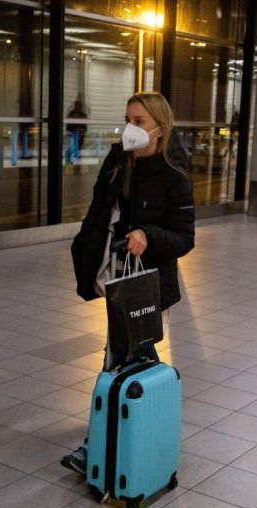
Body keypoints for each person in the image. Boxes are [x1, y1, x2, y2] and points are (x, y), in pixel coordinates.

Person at [62, 92, 195, 475]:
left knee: (122, 354)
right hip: (118, 274)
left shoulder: (175, 175)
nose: (130, 128)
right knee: (128, 352)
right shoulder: (119, 160)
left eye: (138, 121)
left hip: (149, 284)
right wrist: (86, 247)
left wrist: (148, 234)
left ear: (159, 126)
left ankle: (95, 445)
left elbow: (185, 238)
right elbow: (98, 209)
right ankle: (147, 412)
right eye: (128, 119)